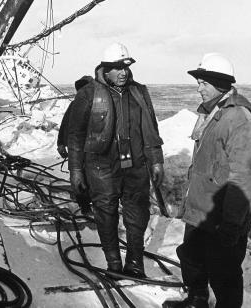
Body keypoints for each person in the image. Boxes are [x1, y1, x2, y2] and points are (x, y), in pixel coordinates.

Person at [162, 53, 251, 308]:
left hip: (222, 216)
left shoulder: (240, 119)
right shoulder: (211, 113)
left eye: (203, 83)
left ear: (218, 83)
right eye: (199, 82)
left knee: (224, 272)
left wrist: (231, 224)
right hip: (200, 210)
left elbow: (245, 177)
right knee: (191, 258)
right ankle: (197, 301)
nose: (199, 88)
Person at [67, 43, 164, 278]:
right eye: (118, 68)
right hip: (101, 167)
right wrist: (76, 170)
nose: (124, 73)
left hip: (135, 165)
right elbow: (76, 136)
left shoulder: (139, 92)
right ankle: (113, 264)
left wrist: (156, 161)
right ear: (106, 69)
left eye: (126, 68)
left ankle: (135, 263)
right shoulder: (88, 94)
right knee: (105, 213)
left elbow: (150, 129)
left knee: (137, 214)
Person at [57, 76, 95, 215]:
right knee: (81, 179)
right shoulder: (75, 105)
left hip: (92, 150)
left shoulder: (95, 103)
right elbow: (65, 124)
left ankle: (90, 204)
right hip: (80, 150)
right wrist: (61, 143)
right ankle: (85, 207)